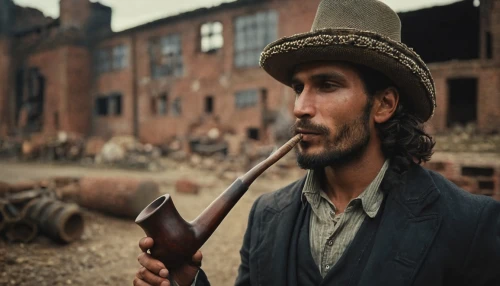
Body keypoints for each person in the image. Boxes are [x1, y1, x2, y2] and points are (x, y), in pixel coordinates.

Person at [133, 0, 500, 285]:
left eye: (327, 85)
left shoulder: (468, 225)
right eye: (298, 88)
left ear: (384, 104)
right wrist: (189, 283)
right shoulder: (265, 215)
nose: (300, 107)